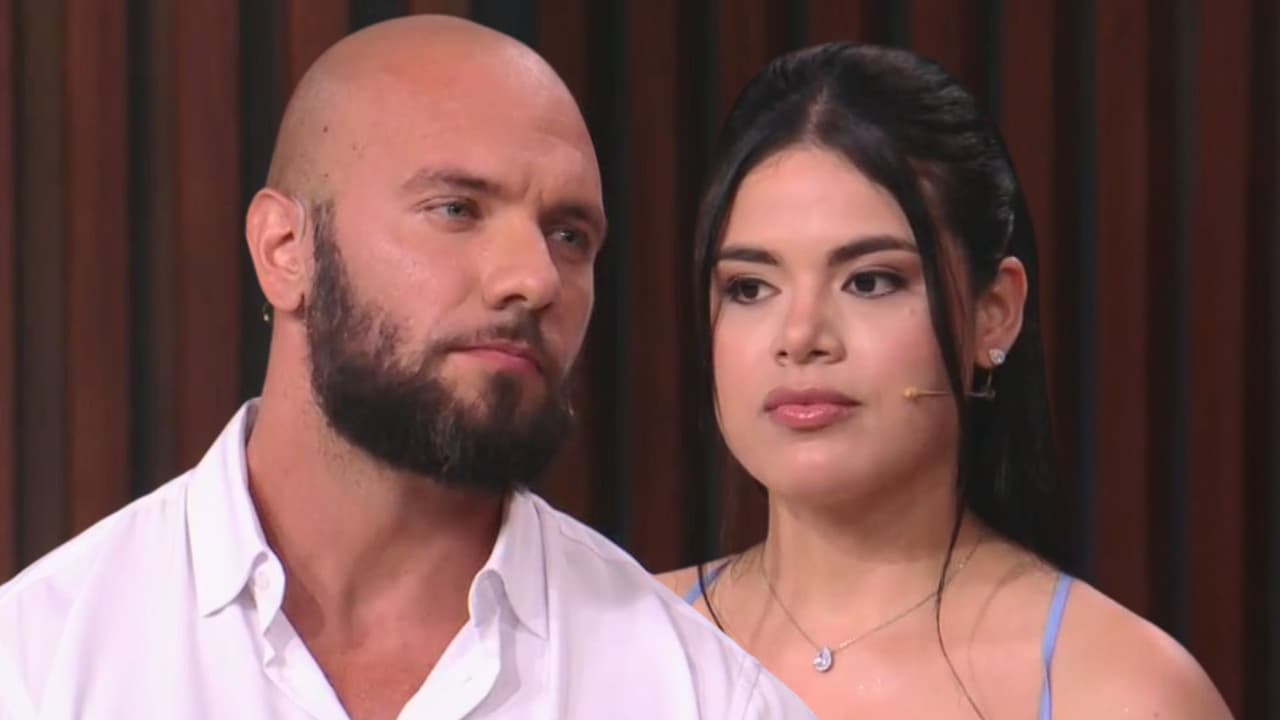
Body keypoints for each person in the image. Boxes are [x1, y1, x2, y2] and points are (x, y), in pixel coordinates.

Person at [0, 16, 812, 720]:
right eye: (456, 209)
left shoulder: (700, 696)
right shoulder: (38, 665)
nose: (534, 279)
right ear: (286, 250)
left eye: (569, 236)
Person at [658, 43, 1231, 719]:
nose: (800, 336)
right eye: (751, 288)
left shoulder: (1121, 690)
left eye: (870, 281)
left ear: (996, 312)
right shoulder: (619, 639)